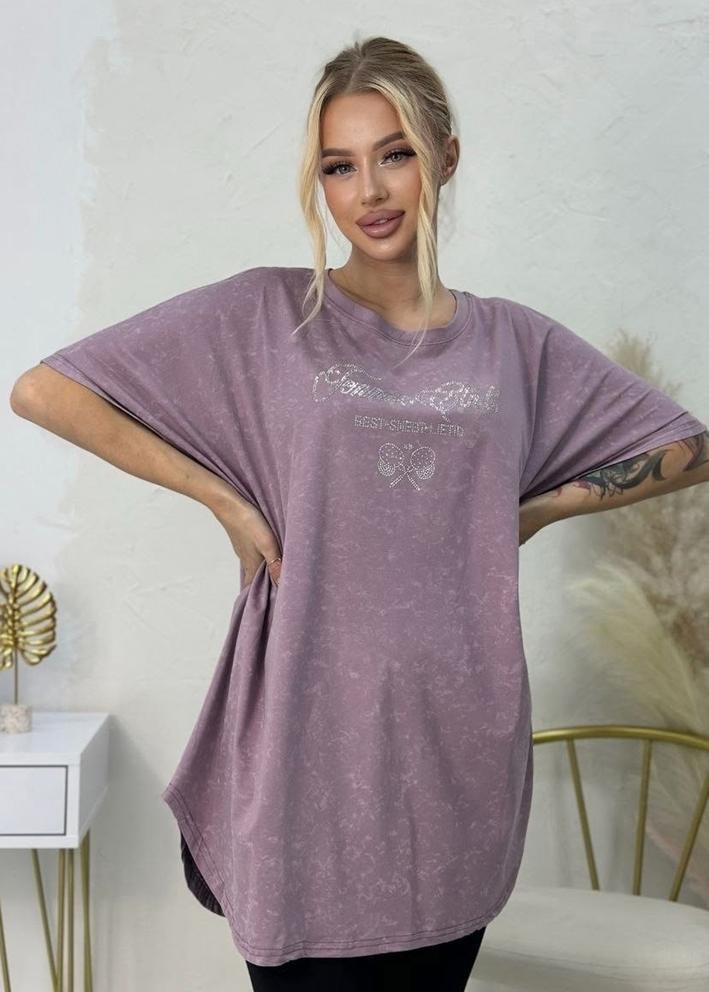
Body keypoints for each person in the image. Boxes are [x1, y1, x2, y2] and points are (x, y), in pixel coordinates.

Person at [10, 34, 708, 992]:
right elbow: (45, 391)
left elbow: (688, 448)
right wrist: (222, 498)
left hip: (455, 750)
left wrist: (539, 508)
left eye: (395, 154)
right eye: (339, 166)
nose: (369, 191)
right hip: (303, 746)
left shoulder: (512, 343)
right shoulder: (266, 317)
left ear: (445, 158)